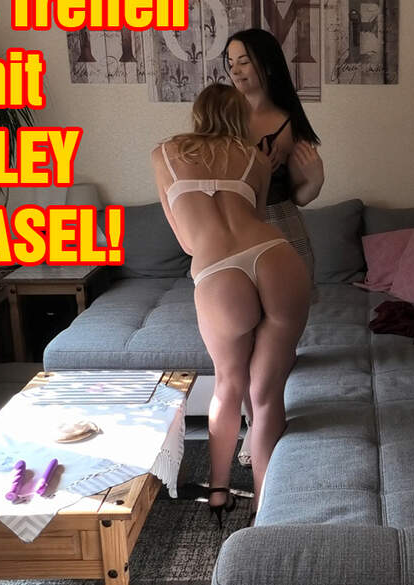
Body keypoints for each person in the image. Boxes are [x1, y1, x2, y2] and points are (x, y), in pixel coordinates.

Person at [151, 83, 311, 527]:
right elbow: (255, 217)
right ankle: (265, 505)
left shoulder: (164, 154)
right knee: (266, 394)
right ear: (240, 117)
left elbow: (186, 241)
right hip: (274, 256)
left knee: (228, 385)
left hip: (218, 271)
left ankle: (219, 493)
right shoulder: (254, 158)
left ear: (198, 114)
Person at [223, 28, 324, 467]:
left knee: (277, 336)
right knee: (242, 331)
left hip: (283, 226)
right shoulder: (224, 117)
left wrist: (317, 179)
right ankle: (253, 423)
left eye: (243, 60)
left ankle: (263, 424)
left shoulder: (288, 121)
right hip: (236, 229)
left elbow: (301, 195)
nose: (236, 70)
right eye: (230, 62)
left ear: (265, 63)